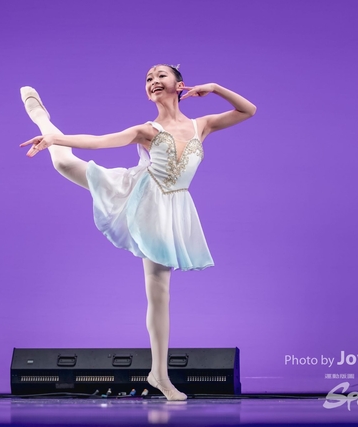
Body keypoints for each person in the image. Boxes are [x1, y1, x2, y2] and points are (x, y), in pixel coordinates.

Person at [20, 64, 256, 400]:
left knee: (160, 293)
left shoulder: (201, 125)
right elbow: (99, 142)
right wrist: (54, 138)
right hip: (140, 195)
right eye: (148, 79)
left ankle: (159, 374)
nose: (153, 81)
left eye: (160, 75)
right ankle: (41, 117)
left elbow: (248, 110)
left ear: (180, 85)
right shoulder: (147, 130)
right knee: (62, 162)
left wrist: (215, 87)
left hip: (171, 209)